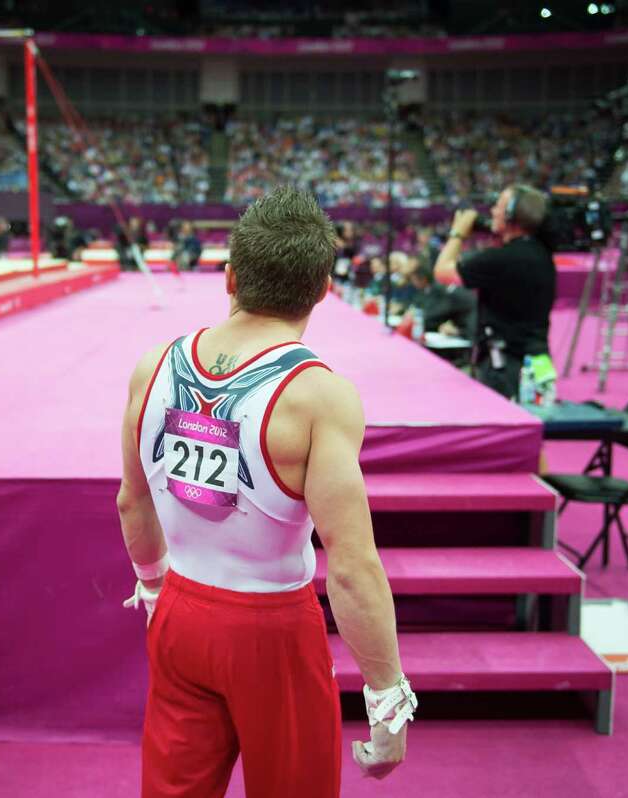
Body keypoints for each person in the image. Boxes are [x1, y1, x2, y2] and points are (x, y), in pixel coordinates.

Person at [117, 187, 415, 797]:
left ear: (229, 277)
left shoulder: (154, 367)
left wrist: (152, 587)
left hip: (178, 614)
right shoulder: (318, 397)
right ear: (323, 290)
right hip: (271, 629)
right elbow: (352, 566)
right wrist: (388, 699)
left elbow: (132, 500)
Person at [434, 184, 556, 400]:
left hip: (504, 367)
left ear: (511, 215)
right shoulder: (542, 254)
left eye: (498, 206)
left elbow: (442, 272)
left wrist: (458, 233)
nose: (492, 211)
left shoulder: (500, 259)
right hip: (538, 363)